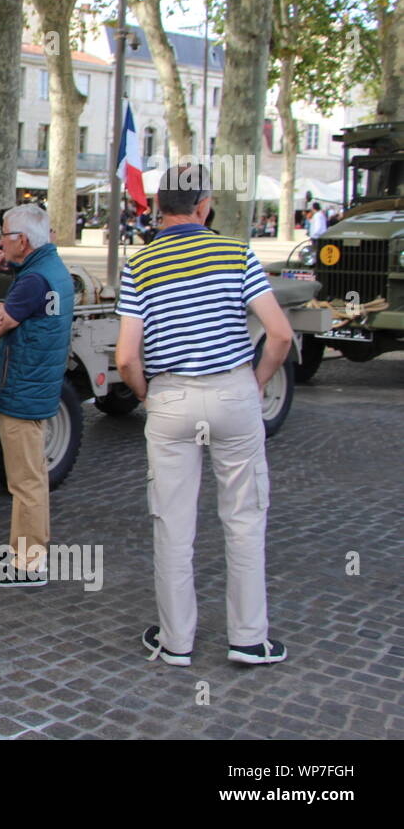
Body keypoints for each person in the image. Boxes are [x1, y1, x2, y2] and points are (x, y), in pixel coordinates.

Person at [115, 164, 294, 668]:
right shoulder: (237, 252)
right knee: (244, 519)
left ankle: (176, 642)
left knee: (171, 524)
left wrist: (149, 396)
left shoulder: (141, 263)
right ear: (203, 206)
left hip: (171, 398)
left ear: (159, 208)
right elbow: (279, 335)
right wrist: (254, 383)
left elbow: (127, 357)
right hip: (234, 392)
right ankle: (249, 638)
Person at [0, 204, 75, 587]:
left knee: (26, 481)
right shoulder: (49, 270)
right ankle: (27, 549)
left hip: (23, 389)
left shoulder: (34, 280)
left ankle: (28, 563)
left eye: (4, 234)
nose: (0, 241)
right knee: (28, 477)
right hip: (34, 386)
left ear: (23, 241)